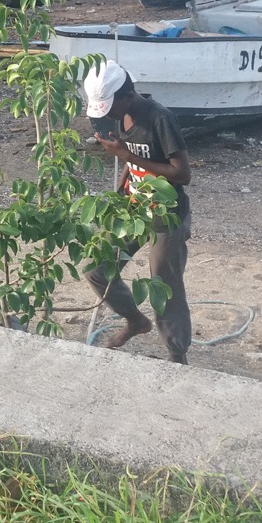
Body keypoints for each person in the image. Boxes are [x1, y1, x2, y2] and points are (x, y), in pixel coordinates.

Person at [82, 60, 192, 365]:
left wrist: (126, 155)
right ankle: (135, 321)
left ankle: (177, 354)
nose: (107, 115)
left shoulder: (160, 119)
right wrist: (120, 192)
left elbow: (182, 174)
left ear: (127, 94)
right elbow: (132, 167)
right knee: (96, 268)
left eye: (109, 107)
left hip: (166, 217)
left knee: (164, 287)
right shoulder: (121, 117)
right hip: (135, 211)